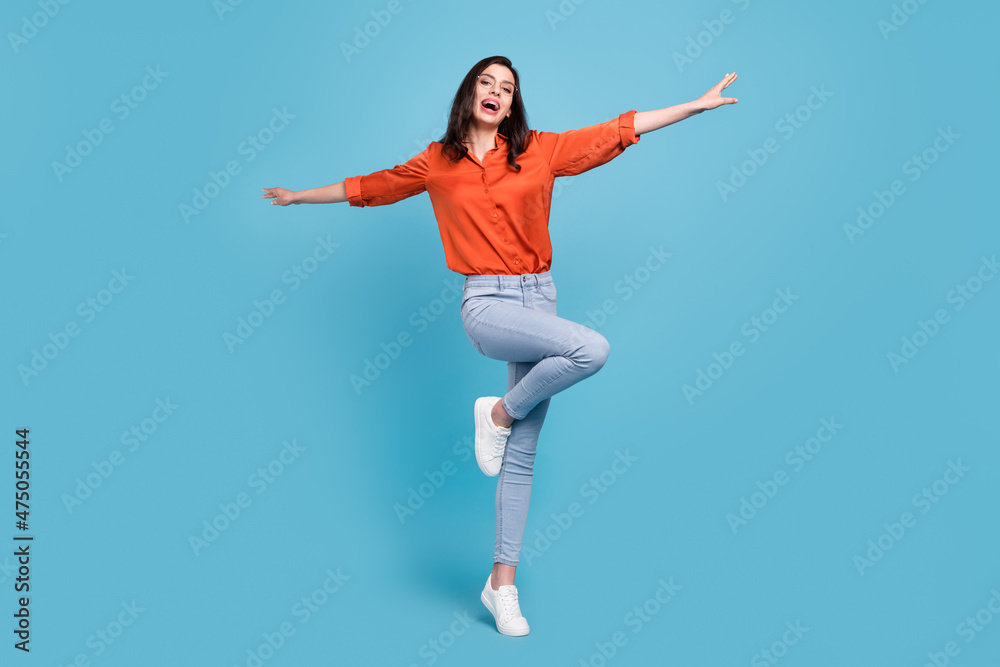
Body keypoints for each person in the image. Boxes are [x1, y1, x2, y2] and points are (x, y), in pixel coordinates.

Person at [261, 55, 738, 637]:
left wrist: (692, 106)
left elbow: (616, 130)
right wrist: (299, 197)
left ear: (512, 106)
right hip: (486, 301)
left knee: (523, 451)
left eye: (507, 88)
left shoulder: (539, 150)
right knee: (591, 350)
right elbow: (370, 188)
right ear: (470, 94)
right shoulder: (435, 163)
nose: (496, 92)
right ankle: (497, 412)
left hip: (540, 296)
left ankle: (501, 584)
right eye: (486, 82)